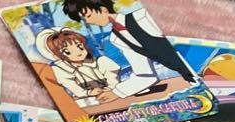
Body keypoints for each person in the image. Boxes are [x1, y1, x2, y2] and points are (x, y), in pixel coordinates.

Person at [61, 0, 196, 97]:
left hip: (200, 69)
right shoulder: (116, 38)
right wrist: (117, 92)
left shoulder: (144, 16)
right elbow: (145, 74)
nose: (88, 21)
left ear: (103, 9)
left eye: (88, 16)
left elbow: (191, 40)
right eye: (84, 20)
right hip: (192, 80)